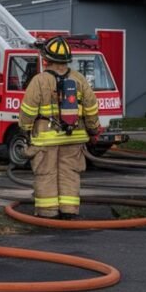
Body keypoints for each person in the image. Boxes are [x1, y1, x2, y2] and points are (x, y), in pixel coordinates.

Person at [19, 35, 100, 219]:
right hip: (74, 137)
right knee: (70, 173)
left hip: (46, 139)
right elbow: (91, 107)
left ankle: (48, 212)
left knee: (46, 173)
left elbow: (28, 111)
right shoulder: (79, 79)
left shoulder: (39, 81)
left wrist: (25, 130)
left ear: (47, 59)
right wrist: (93, 129)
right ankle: (69, 211)